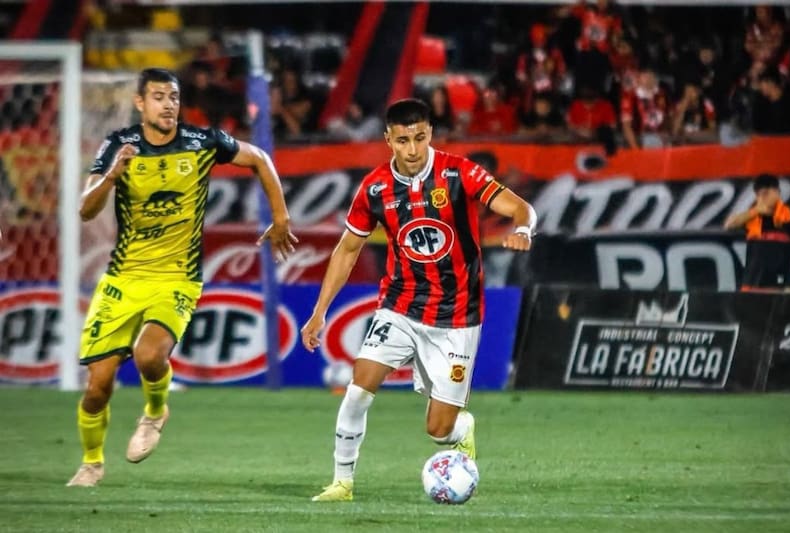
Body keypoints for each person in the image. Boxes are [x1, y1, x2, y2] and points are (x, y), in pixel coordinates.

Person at [66, 68, 297, 487]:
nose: (168, 104)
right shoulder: (118, 146)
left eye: (173, 96)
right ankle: (91, 462)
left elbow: (260, 159)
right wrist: (112, 177)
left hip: (177, 279)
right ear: (140, 103)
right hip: (123, 279)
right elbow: (85, 209)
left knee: (149, 355)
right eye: (158, 96)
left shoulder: (202, 141)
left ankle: (155, 411)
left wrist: (280, 217)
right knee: (98, 386)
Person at [300, 98, 536, 502]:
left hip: (457, 315)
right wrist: (318, 312)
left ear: (431, 134)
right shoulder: (374, 188)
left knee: (438, 430)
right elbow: (347, 250)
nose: (412, 150)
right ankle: (342, 482)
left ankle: (462, 429)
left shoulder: (458, 173)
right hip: (401, 305)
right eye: (403, 140)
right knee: (359, 386)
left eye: (421, 138)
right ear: (388, 139)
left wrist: (525, 230)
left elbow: (519, 207)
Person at [724, 174, 790, 291]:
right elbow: (729, 225)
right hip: (751, 287)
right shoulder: (752, 217)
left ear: (777, 193)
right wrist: (757, 210)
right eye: (759, 195)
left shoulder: (789, 217)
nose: (763, 198)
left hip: (779, 290)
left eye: (766, 193)